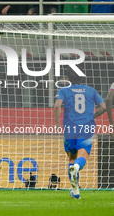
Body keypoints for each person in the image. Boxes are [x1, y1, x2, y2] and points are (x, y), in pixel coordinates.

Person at [54, 66, 106, 199]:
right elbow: (104, 106)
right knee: (82, 156)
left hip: (70, 128)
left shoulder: (64, 90)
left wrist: (58, 124)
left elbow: (57, 106)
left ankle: (75, 190)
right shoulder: (91, 90)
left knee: (71, 158)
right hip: (86, 127)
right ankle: (76, 168)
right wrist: (93, 116)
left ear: (69, 78)